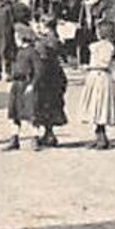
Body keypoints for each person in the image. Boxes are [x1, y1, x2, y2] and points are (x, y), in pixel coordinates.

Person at [77, 19, 115, 150]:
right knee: (100, 105)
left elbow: (102, 62)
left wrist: (89, 66)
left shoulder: (97, 47)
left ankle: (101, 137)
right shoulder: (111, 46)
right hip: (103, 76)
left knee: (97, 104)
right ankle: (100, 135)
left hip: (97, 76)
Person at [30, 16, 68, 148]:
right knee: (54, 103)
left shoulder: (44, 42)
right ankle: (49, 133)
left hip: (46, 75)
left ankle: (47, 134)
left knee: (44, 103)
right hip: (57, 75)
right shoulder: (57, 39)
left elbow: (42, 58)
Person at [3, 22, 38, 151]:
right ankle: (14, 139)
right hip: (16, 85)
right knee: (14, 114)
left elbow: (38, 71)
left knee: (30, 114)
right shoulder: (19, 52)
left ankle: (35, 139)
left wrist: (32, 84)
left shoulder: (32, 52)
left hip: (27, 85)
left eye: (16, 37)